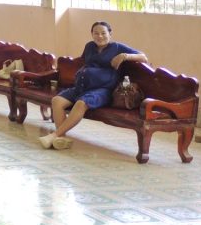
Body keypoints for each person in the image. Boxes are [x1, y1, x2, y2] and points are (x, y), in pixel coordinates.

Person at [39, 21, 148, 150]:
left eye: (103, 33)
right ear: (92, 34)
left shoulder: (117, 47)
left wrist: (124, 56)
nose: (100, 36)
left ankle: (54, 135)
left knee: (81, 103)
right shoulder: (90, 46)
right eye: (96, 33)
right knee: (57, 101)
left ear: (110, 34)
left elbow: (143, 57)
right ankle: (61, 139)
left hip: (103, 90)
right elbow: (84, 62)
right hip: (82, 86)